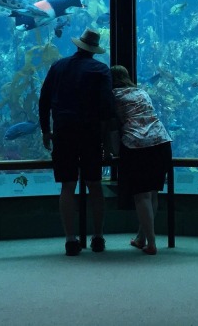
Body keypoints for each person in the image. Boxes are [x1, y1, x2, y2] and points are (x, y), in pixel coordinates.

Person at [39, 28, 115, 256]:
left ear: (78, 46)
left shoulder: (58, 66)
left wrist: (46, 130)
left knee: (67, 185)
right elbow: (107, 109)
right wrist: (108, 144)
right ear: (94, 50)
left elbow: (43, 99)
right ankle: (98, 237)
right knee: (94, 184)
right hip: (90, 133)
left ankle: (70, 240)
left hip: (63, 131)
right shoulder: (100, 70)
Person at [110, 65, 172, 256]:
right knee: (152, 194)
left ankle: (152, 243)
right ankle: (141, 238)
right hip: (162, 142)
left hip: (138, 145)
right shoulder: (142, 92)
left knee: (141, 196)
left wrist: (114, 152)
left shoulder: (113, 96)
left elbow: (112, 127)